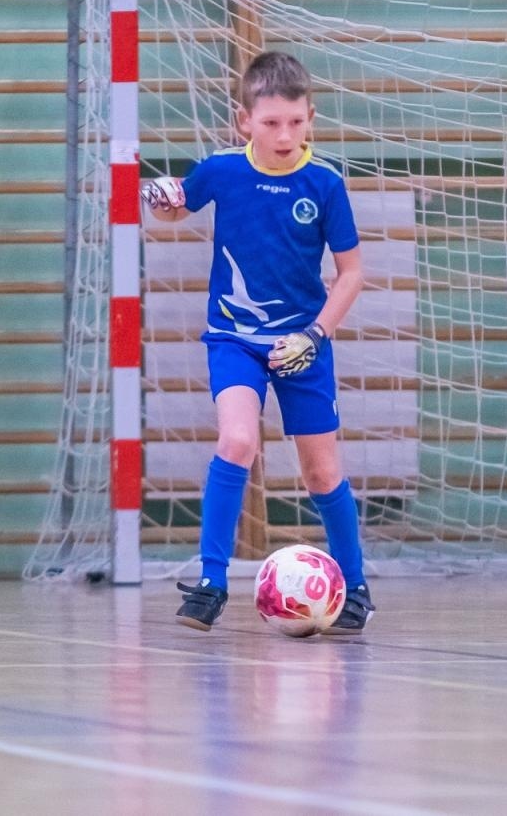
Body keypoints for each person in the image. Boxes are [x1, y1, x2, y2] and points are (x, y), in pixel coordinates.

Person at [143, 50, 374, 634]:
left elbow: (351, 273)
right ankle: (210, 583)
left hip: (303, 344)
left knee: (321, 473)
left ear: (311, 118)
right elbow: (179, 207)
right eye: (271, 123)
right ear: (244, 120)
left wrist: (314, 335)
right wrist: (162, 200)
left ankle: (356, 588)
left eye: (296, 122)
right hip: (234, 340)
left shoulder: (324, 184)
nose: (285, 136)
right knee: (238, 439)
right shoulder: (223, 170)